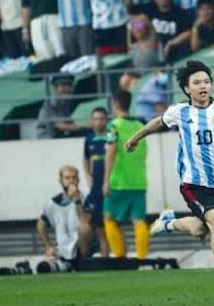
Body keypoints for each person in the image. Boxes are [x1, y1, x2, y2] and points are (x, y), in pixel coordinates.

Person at [124, 61, 214, 298]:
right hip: (192, 183)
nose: (203, 86)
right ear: (187, 89)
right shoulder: (180, 112)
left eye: (206, 81)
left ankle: (168, 222)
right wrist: (136, 137)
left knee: (199, 230)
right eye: (196, 83)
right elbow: (157, 122)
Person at [102, 90, 149, 259]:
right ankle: (142, 259)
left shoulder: (114, 126)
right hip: (139, 181)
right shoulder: (140, 125)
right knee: (139, 220)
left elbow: (111, 152)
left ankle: (120, 255)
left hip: (119, 181)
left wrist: (106, 180)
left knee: (108, 217)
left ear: (115, 104)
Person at [37, 165, 92, 271]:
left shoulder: (85, 199)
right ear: (60, 181)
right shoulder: (52, 203)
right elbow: (40, 225)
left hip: (82, 246)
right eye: (67, 178)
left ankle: (83, 260)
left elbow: (85, 222)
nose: (71, 181)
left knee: (85, 228)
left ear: (78, 180)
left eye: (74, 177)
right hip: (63, 247)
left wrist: (77, 200)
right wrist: (48, 245)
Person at [82, 107, 110, 257]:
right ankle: (83, 256)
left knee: (103, 229)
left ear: (106, 120)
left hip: (107, 189)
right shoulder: (89, 139)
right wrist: (87, 174)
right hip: (95, 189)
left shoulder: (111, 138)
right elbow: (85, 157)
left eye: (101, 118)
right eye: (95, 119)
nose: (98, 122)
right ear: (91, 121)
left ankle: (105, 258)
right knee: (85, 221)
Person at [36, 73, 82, 139]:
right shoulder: (51, 103)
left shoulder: (66, 102)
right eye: (63, 85)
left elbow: (68, 121)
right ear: (55, 88)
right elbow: (60, 125)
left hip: (59, 135)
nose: (67, 88)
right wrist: (83, 126)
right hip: (47, 137)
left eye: (69, 85)